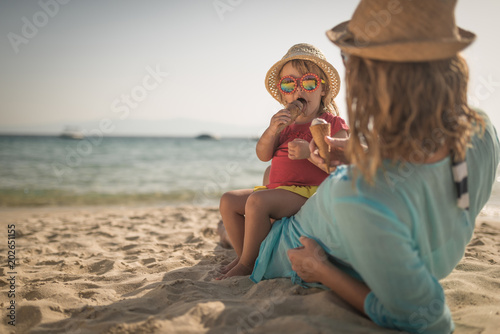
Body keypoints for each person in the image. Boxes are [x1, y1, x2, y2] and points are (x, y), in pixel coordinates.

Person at [249, 1, 500, 333]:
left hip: (287, 250)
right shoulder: (482, 131)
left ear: (368, 75)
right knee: (267, 181)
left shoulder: (357, 195)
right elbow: (420, 172)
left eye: (347, 59)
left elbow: (430, 321)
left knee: (250, 210)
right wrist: (359, 154)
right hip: (419, 255)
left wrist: (321, 269)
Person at [218, 43, 349, 279]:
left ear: (323, 90)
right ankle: (244, 256)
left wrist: (309, 154)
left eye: (309, 82)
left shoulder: (333, 123)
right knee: (228, 201)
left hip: (309, 193)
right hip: (281, 191)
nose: (298, 90)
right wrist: (271, 130)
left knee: (257, 202)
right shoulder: (283, 124)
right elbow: (263, 155)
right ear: (283, 94)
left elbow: (339, 163)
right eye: (289, 84)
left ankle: (248, 265)